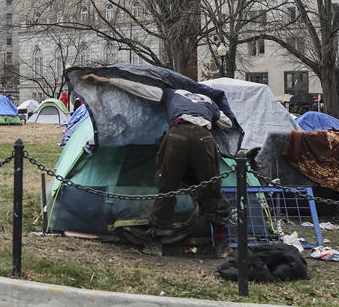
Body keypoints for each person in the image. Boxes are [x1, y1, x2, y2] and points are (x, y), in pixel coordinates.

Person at [81, 73, 232, 238]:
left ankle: (161, 229)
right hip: (204, 137)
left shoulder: (172, 93)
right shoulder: (208, 100)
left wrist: (106, 79)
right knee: (211, 184)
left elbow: (139, 88)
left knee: (167, 184)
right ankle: (219, 227)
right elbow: (227, 123)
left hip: (177, 135)